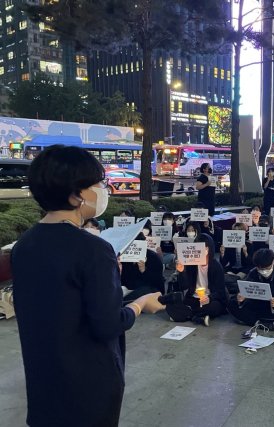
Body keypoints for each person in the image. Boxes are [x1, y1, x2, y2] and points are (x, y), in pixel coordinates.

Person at [10, 145, 164, 426]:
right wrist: (140, 304)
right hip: (88, 385)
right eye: (98, 183)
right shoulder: (93, 249)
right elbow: (108, 324)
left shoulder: (24, 246)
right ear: (76, 194)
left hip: (44, 380)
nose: (103, 189)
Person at [163, 235, 227, 326]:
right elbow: (184, 286)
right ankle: (199, 317)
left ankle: (188, 315)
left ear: (208, 249)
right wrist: (182, 272)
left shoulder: (216, 266)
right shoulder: (191, 264)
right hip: (194, 298)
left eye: (203, 247)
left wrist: (209, 298)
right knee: (172, 305)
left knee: (214, 307)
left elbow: (220, 292)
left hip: (210, 299)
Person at [227, 249, 274, 328]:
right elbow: (245, 289)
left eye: (267, 268)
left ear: (273, 262)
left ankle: (253, 321)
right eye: (260, 269)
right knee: (232, 303)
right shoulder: (253, 272)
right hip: (256, 305)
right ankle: (262, 323)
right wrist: (241, 298)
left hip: (272, 309)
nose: (263, 271)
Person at [120, 233, 165, 301]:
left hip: (150, 290)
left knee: (145, 292)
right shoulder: (124, 258)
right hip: (129, 289)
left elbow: (158, 281)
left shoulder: (153, 257)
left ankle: (123, 303)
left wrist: (144, 270)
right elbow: (122, 280)